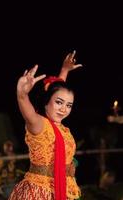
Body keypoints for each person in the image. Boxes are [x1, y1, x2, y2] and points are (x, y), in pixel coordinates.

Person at [8, 50, 83, 200]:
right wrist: (22, 95)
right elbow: (28, 113)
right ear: (46, 102)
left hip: (65, 188)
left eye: (69, 105)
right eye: (59, 103)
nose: (64, 109)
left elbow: (57, 91)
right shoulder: (39, 124)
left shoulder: (61, 128)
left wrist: (64, 71)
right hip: (41, 192)